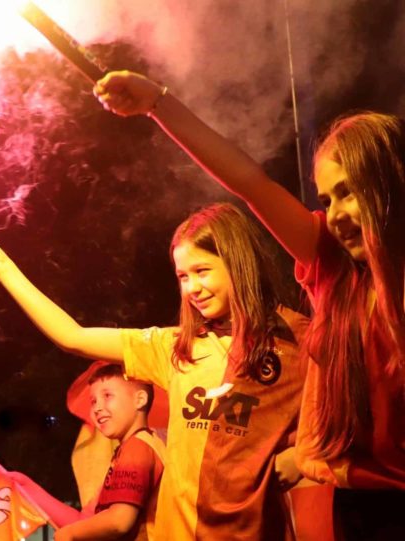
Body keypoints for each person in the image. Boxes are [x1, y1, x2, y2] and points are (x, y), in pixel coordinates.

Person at [93, 71, 405, 537]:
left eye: (349, 191)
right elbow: (250, 183)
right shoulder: (336, 273)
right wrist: (158, 104)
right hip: (360, 510)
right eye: (326, 198)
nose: (335, 214)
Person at [0, 202, 308, 539]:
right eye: (182, 277)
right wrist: (3, 268)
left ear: (239, 262)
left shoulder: (299, 342)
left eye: (202, 272)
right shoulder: (177, 348)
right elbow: (73, 337)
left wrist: (301, 456)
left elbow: (347, 423)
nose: (192, 289)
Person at [13, 363, 165, 541]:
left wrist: (70, 534)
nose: (97, 408)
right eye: (93, 401)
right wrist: (25, 486)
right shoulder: (143, 444)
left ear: (140, 399)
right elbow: (86, 520)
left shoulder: (136, 448)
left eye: (107, 395)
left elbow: (119, 521)